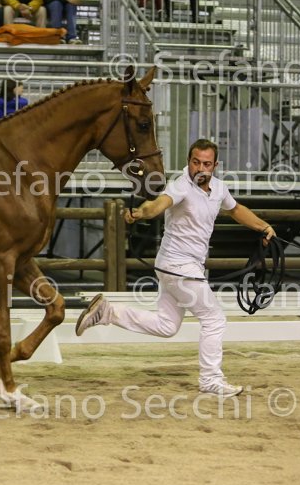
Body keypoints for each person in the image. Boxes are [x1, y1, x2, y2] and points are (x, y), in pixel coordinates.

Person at [75, 140, 278, 398]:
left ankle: (108, 312)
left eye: (206, 164)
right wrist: (141, 213)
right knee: (214, 319)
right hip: (179, 266)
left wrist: (263, 226)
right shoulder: (180, 186)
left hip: (176, 267)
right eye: (196, 162)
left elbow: (236, 209)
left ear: (215, 165)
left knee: (167, 326)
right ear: (188, 161)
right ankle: (211, 379)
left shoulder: (219, 189)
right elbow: (159, 204)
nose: (200, 168)